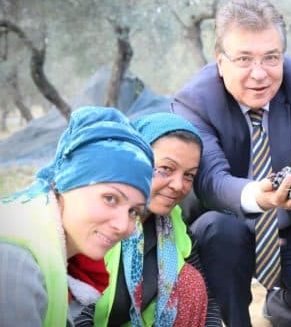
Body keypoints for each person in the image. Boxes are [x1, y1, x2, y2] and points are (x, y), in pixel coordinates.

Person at [171, 0, 291, 327]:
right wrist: (261, 196)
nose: (260, 74)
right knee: (220, 230)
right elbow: (212, 180)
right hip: (222, 227)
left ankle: (277, 314)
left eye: (271, 57)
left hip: (290, 223)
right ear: (220, 61)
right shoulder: (194, 101)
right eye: (244, 59)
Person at [0, 106, 154, 326]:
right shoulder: (15, 263)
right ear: (68, 182)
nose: (123, 226)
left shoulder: (54, 252)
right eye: (110, 198)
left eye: (134, 211)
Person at [77, 113, 213, 327]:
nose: (178, 185)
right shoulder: (94, 220)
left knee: (190, 283)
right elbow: (76, 315)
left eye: (189, 175)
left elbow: (209, 303)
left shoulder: (170, 223)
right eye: (166, 169)